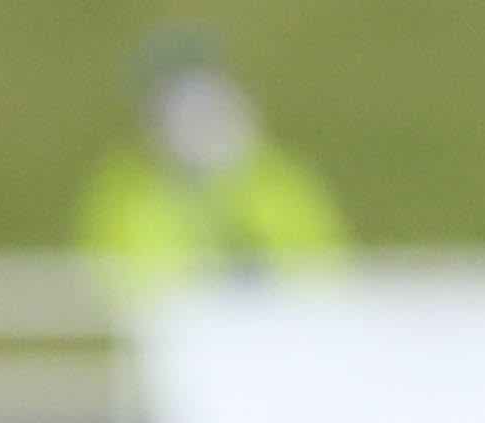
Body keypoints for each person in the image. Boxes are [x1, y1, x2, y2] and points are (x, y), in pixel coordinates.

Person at [76, 26, 348, 302]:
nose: (195, 115)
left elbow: (328, 273)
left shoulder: (283, 181)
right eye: (174, 101)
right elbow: (106, 290)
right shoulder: (122, 194)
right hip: (171, 340)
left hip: (281, 337)